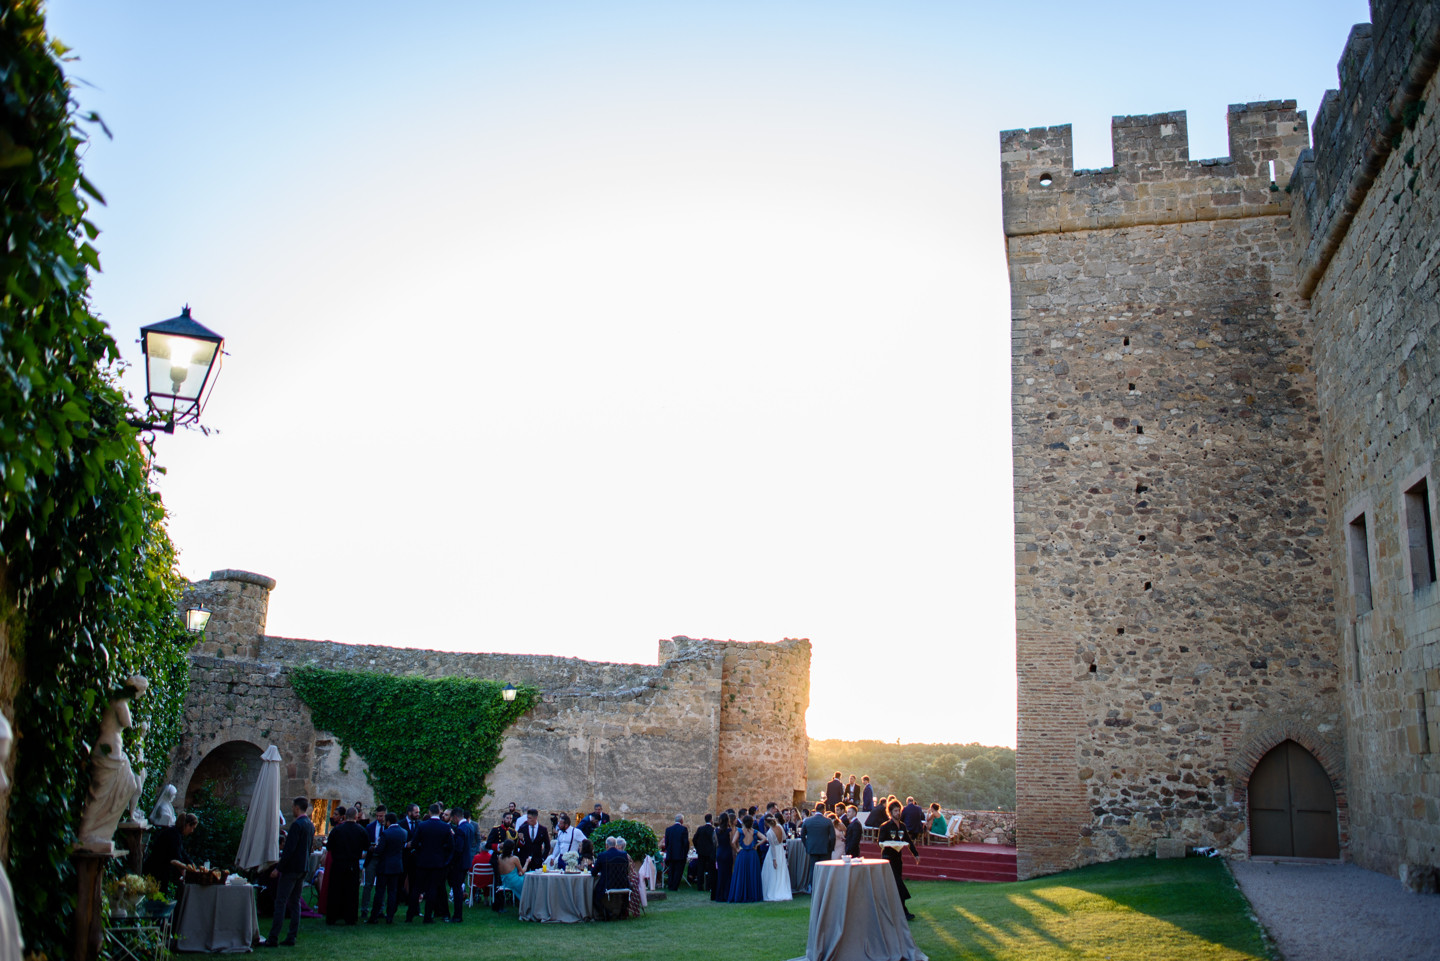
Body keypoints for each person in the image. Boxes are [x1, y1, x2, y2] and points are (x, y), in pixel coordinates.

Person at [263, 797, 314, 948]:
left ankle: (273, 937)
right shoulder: (310, 825)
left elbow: (289, 849)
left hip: (291, 869)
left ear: (297, 808)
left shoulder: (297, 825)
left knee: (281, 901)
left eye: (293, 807)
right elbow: (309, 847)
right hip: (302, 867)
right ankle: (292, 936)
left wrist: (278, 868)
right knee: (295, 901)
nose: (292, 809)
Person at [406, 803, 452, 924]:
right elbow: (450, 846)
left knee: (416, 889)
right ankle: (428, 916)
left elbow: (414, 843)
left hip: (423, 861)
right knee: (432, 889)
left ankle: (410, 915)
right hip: (437, 862)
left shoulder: (422, 825)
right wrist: (444, 858)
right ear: (440, 813)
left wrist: (420, 851)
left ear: (430, 812)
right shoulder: (445, 827)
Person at [876, 800, 921, 921]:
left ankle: (895, 911)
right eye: (895, 811)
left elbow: (908, 841)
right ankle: (904, 912)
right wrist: (890, 844)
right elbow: (880, 842)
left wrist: (915, 854)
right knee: (898, 884)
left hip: (897, 859)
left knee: (895, 886)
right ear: (890, 813)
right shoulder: (885, 826)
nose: (898, 813)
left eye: (899, 810)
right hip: (887, 859)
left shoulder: (902, 826)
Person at [324, 806, 368, 925]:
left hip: (338, 863)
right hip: (352, 864)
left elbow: (329, 847)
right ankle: (350, 917)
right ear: (356, 816)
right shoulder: (361, 830)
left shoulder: (337, 830)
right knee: (351, 892)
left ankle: (332, 916)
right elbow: (366, 847)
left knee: (335, 890)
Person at [366, 812, 407, 924]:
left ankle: (374, 916)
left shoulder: (386, 833)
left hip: (384, 866)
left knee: (380, 891)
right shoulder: (403, 833)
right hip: (396, 866)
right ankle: (390, 916)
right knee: (392, 892)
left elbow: (379, 850)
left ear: (388, 822)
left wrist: (373, 848)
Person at [143, 812, 197, 894]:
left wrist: (192, 864)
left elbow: (183, 854)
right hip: (156, 870)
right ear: (187, 825)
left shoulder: (176, 834)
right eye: (192, 828)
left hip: (161, 871)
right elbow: (175, 858)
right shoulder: (173, 835)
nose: (192, 831)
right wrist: (187, 869)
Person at [727, 815, 764, 903]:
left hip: (742, 854)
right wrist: (756, 845)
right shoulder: (754, 831)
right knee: (752, 874)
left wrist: (737, 849)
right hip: (752, 854)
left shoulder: (739, 831)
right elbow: (764, 838)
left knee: (741, 874)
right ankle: (753, 895)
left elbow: (732, 842)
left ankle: (740, 894)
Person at [799, 803, 834, 894]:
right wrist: (831, 848)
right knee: (825, 869)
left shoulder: (808, 821)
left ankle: (812, 887)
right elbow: (833, 837)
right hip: (825, 849)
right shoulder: (828, 821)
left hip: (812, 848)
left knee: (813, 868)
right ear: (824, 810)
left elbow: (802, 835)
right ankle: (825, 888)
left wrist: (807, 846)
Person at [360, 803, 387, 914]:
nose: (379, 818)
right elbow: (365, 842)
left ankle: (380, 908)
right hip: (372, 858)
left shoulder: (389, 827)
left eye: (381, 816)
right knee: (368, 884)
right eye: (377, 816)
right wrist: (369, 847)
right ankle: (364, 909)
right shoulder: (370, 827)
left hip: (383, 858)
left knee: (382, 884)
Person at [444, 807, 470, 922]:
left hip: (459, 863)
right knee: (458, 887)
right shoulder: (469, 826)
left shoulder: (460, 829)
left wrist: (451, 862)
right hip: (466, 862)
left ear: (455, 817)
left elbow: (458, 848)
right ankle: (457, 915)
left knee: (456, 888)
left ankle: (457, 915)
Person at [760, 813, 792, 902]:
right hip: (781, 850)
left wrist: (774, 859)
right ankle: (782, 889)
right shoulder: (780, 827)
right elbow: (784, 837)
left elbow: (772, 846)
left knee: (772, 872)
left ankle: (773, 891)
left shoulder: (769, 833)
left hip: (774, 853)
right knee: (781, 871)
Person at [492, 840, 526, 912]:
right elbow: (522, 871)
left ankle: (521, 902)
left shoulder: (499, 857)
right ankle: (526, 902)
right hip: (514, 881)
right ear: (512, 848)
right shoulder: (514, 859)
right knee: (528, 881)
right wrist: (527, 862)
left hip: (504, 881)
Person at [692, 814, 717, 894]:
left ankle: (700, 885)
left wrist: (697, 848)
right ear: (711, 820)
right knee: (710, 870)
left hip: (701, 852)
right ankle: (708, 886)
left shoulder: (700, 829)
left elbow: (694, 839)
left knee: (700, 869)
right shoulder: (713, 830)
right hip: (710, 852)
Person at [663, 815, 689, 891]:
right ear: (681, 820)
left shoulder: (668, 829)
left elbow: (666, 842)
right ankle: (674, 886)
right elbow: (685, 843)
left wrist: (669, 850)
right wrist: (685, 853)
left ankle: (670, 885)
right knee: (678, 871)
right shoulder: (683, 829)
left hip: (671, 853)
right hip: (680, 854)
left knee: (671, 870)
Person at [712, 813, 733, 903]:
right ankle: (726, 894)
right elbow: (732, 842)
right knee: (728, 874)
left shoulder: (716, 830)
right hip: (727, 852)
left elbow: (715, 842)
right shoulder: (729, 830)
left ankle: (719, 895)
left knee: (720, 874)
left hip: (720, 852)